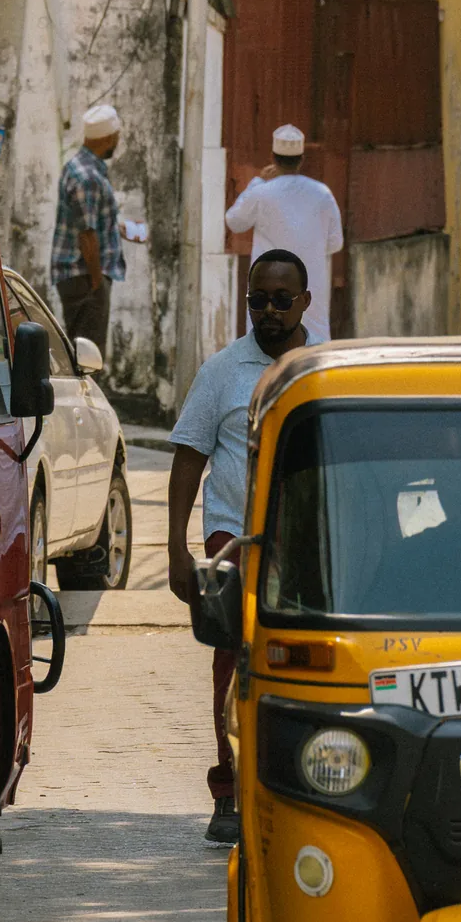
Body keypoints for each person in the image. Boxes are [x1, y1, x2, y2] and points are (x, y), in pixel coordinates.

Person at [166, 248, 318, 843]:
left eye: (283, 300)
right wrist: (177, 548)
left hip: (308, 538)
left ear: (305, 301)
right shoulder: (223, 371)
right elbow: (187, 458)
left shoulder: (323, 365)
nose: (270, 311)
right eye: (259, 300)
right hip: (234, 536)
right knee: (231, 661)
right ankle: (227, 789)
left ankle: (304, 782)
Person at [224, 124, 344, 339]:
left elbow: (234, 221)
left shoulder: (260, 192)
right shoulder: (322, 193)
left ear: (272, 157)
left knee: (265, 347)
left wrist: (256, 182)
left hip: (268, 289)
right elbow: (335, 243)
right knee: (311, 348)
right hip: (309, 290)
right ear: (301, 159)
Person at [50, 103, 124, 355]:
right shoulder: (89, 177)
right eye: (116, 136)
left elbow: (87, 222)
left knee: (81, 350)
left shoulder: (77, 165)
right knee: (88, 356)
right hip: (83, 275)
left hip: (78, 275)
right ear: (108, 138)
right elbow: (86, 235)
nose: (117, 141)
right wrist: (96, 282)